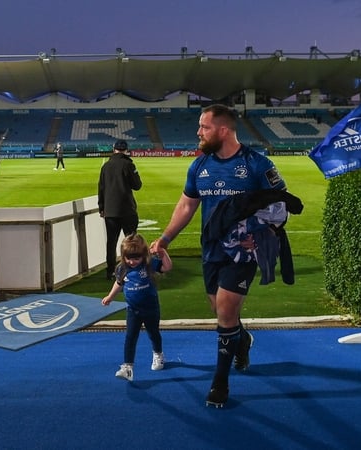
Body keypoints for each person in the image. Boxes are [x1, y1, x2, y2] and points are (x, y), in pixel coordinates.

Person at [149, 104, 288, 408]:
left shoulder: (257, 165)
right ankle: (242, 339)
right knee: (220, 310)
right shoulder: (199, 166)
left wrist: (262, 233)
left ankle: (220, 382)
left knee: (225, 310)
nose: (198, 132)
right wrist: (165, 238)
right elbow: (187, 205)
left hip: (242, 251)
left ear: (223, 130)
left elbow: (281, 206)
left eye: (204, 127)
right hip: (211, 249)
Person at [101, 233, 172, 382]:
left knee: (153, 333)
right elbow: (119, 283)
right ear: (123, 256)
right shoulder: (122, 268)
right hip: (133, 310)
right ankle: (128, 367)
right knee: (130, 337)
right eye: (128, 258)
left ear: (143, 255)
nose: (132, 262)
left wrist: (162, 252)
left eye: (136, 258)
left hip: (150, 308)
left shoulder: (149, 264)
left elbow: (167, 267)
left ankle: (158, 354)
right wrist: (110, 296)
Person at [98, 139, 142, 280]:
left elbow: (101, 188)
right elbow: (137, 185)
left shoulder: (106, 166)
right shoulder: (128, 164)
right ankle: (132, 270)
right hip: (126, 209)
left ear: (114, 149)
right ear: (126, 150)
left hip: (110, 210)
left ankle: (110, 271)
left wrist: (101, 207)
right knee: (131, 241)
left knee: (111, 242)